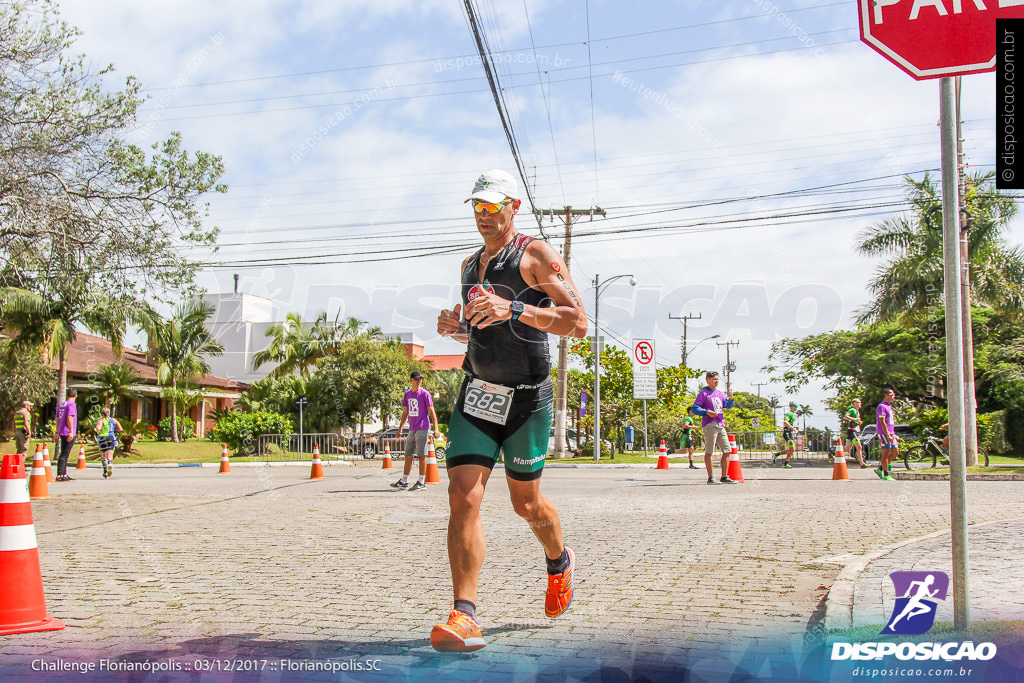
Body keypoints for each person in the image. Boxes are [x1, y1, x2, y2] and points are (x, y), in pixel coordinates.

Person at [431, 169, 587, 652]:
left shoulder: (535, 254)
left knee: (526, 504)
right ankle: (465, 615)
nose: (483, 215)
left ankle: (559, 561)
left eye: (492, 206)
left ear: (513, 206)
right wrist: (456, 329)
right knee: (463, 496)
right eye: (476, 207)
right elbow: (486, 328)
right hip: (477, 392)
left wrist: (515, 309)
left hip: (527, 397)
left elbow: (578, 323)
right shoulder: (468, 265)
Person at [391, 370, 441, 492]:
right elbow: (405, 412)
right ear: (411, 380)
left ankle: (421, 481)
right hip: (412, 428)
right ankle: (404, 480)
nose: (419, 381)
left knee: (421, 454)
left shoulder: (425, 394)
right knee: (408, 455)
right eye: (416, 379)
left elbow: (432, 411)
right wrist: (400, 428)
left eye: (420, 379)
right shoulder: (407, 394)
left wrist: (436, 428)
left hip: (423, 427)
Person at [689, 371, 738, 485]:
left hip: (721, 424)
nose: (716, 381)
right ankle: (711, 477)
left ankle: (724, 476)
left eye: (717, 379)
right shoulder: (703, 393)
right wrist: (706, 412)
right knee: (709, 451)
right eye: (713, 379)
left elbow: (727, 405)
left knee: (727, 450)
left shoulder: (719, 393)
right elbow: (695, 408)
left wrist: (731, 399)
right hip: (710, 425)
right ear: (708, 380)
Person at [55, 389, 78, 482]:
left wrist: (57, 431)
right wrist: (71, 431)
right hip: (67, 432)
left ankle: (63, 473)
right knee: (64, 453)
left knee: (64, 452)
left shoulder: (61, 405)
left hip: (61, 431)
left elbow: (57, 418)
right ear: (76, 396)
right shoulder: (72, 404)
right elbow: (69, 417)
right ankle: (60, 474)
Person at [875, 388, 898, 481]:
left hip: (891, 433)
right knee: (886, 453)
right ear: (886, 395)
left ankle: (880, 468)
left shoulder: (889, 406)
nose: (894, 397)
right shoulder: (882, 406)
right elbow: (882, 421)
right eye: (892, 395)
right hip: (884, 433)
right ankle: (886, 473)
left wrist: (892, 433)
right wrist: (887, 435)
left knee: (895, 452)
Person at [93, 408, 123, 479]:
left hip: (103, 438)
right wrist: (113, 429)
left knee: (103, 456)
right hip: (111, 437)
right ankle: (110, 464)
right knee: (110, 455)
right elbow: (120, 429)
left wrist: (97, 427)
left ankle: (105, 471)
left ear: (102, 414)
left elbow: (98, 428)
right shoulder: (114, 420)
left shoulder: (101, 420)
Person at [843, 398, 868, 468]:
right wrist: (855, 419)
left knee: (847, 448)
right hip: (852, 431)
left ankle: (834, 452)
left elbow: (855, 421)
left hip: (855, 431)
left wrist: (859, 422)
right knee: (859, 447)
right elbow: (846, 417)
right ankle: (862, 464)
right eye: (859, 402)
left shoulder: (857, 412)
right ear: (854, 403)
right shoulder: (852, 410)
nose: (860, 403)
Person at [774, 402, 798, 469]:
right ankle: (776, 454)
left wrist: (793, 428)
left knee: (791, 450)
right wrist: (792, 428)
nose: (796, 408)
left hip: (790, 433)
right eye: (795, 406)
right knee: (792, 450)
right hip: (787, 432)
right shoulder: (789, 413)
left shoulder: (793, 414)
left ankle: (785, 464)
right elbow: (785, 422)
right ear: (791, 407)